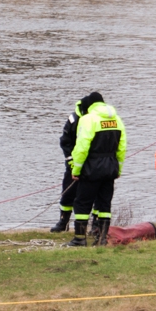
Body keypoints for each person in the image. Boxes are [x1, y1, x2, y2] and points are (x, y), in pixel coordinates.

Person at [68, 93, 126, 247]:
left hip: (91, 168)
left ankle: (79, 239)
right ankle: (102, 239)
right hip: (110, 168)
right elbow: (122, 148)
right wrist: (118, 169)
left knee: (82, 203)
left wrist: (76, 169)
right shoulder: (117, 119)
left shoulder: (88, 119)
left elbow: (82, 147)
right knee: (104, 204)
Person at [50, 94, 94, 233]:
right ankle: (63, 221)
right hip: (74, 162)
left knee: (94, 195)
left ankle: (95, 226)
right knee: (68, 192)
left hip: (93, 164)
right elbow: (65, 142)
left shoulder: (97, 119)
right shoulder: (74, 119)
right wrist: (71, 163)